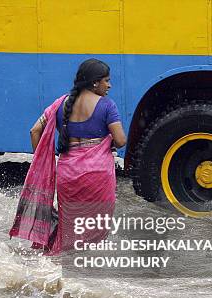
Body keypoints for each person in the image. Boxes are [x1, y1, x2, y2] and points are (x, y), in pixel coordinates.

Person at [9, 59, 127, 255]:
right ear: (95, 82)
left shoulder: (60, 104)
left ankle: (54, 266)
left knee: (68, 227)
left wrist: (44, 163)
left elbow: (34, 131)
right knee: (93, 231)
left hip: (67, 175)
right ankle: (82, 275)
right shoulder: (107, 106)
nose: (110, 85)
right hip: (97, 177)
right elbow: (121, 140)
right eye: (107, 80)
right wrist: (105, 141)